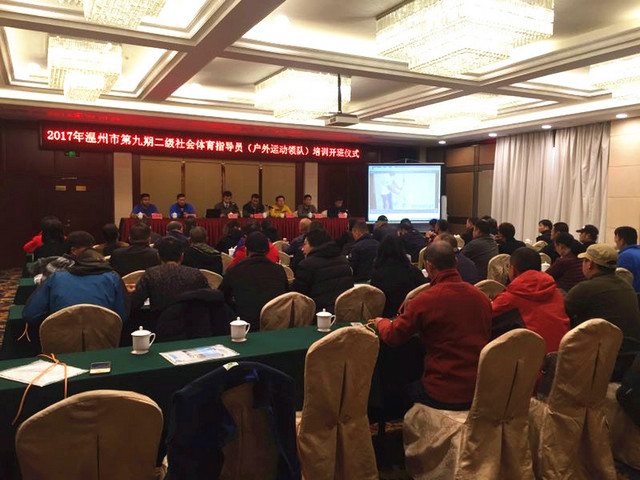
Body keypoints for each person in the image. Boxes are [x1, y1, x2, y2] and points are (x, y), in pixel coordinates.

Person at [374, 242, 491, 410]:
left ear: (428, 266)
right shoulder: (481, 298)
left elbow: (393, 337)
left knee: (394, 391)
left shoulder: (425, 300)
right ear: (456, 263)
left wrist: (381, 322)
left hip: (441, 391)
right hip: (479, 388)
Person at [565, 244, 640, 380]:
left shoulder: (586, 288)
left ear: (590, 264)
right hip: (631, 361)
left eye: (584, 260)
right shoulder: (627, 286)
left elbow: (562, 315)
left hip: (603, 363)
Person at [491, 247, 569, 353]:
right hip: (563, 355)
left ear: (513, 270)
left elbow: (484, 319)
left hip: (532, 359)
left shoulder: (509, 298)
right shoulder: (556, 293)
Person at [24, 248, 126, 328]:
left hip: (59, 340)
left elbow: (30, 314)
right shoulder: (113, 278)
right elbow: (122, 316)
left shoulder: (56, 277)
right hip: (105, 338)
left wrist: (53, 318)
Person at [218, 232, 289, 331]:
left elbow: (221, 296)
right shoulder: (279, 270)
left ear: (246, 250)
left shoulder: (235, 270)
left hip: (246, 326)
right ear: (267, 250)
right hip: (276, 324)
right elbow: (286, 296)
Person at [130, 236, 209, 314]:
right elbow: (209, 300)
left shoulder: (150, 274)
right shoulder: (196, 274)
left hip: (159, 320)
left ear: (158, 256)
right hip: (190, 320)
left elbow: (134, 303)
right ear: (182, 256)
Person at [292, 229, 354, 313]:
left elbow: (298, 296)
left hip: (317, 314)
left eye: (305, 244)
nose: (302, 249)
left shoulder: (307, 265)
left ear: (314, 245)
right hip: (344, 312)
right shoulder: (344, 261)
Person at [370, 236, 426, 317]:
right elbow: (424, 288)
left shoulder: (377, 275)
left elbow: (373, 300)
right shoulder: (413, 271)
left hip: (386, 317)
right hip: (412, 315)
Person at [29, 230, 95, 279]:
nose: (91, 253)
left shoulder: (93, 265)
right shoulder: (58, 267)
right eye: (88, 250)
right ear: (74, 250)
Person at [615, 226, 640, 292]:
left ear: (622, 240)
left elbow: (620, 282)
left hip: (632, 294)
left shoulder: (624, 256)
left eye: (616, 238)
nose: (615, 241)